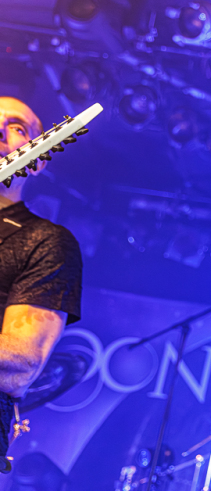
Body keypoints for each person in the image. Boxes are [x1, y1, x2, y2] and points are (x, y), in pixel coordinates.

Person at [0, 97, 83, 471]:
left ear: (38, 159)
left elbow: (20, 364)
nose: (0, 131)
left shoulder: (43, 241)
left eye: (16, 127)